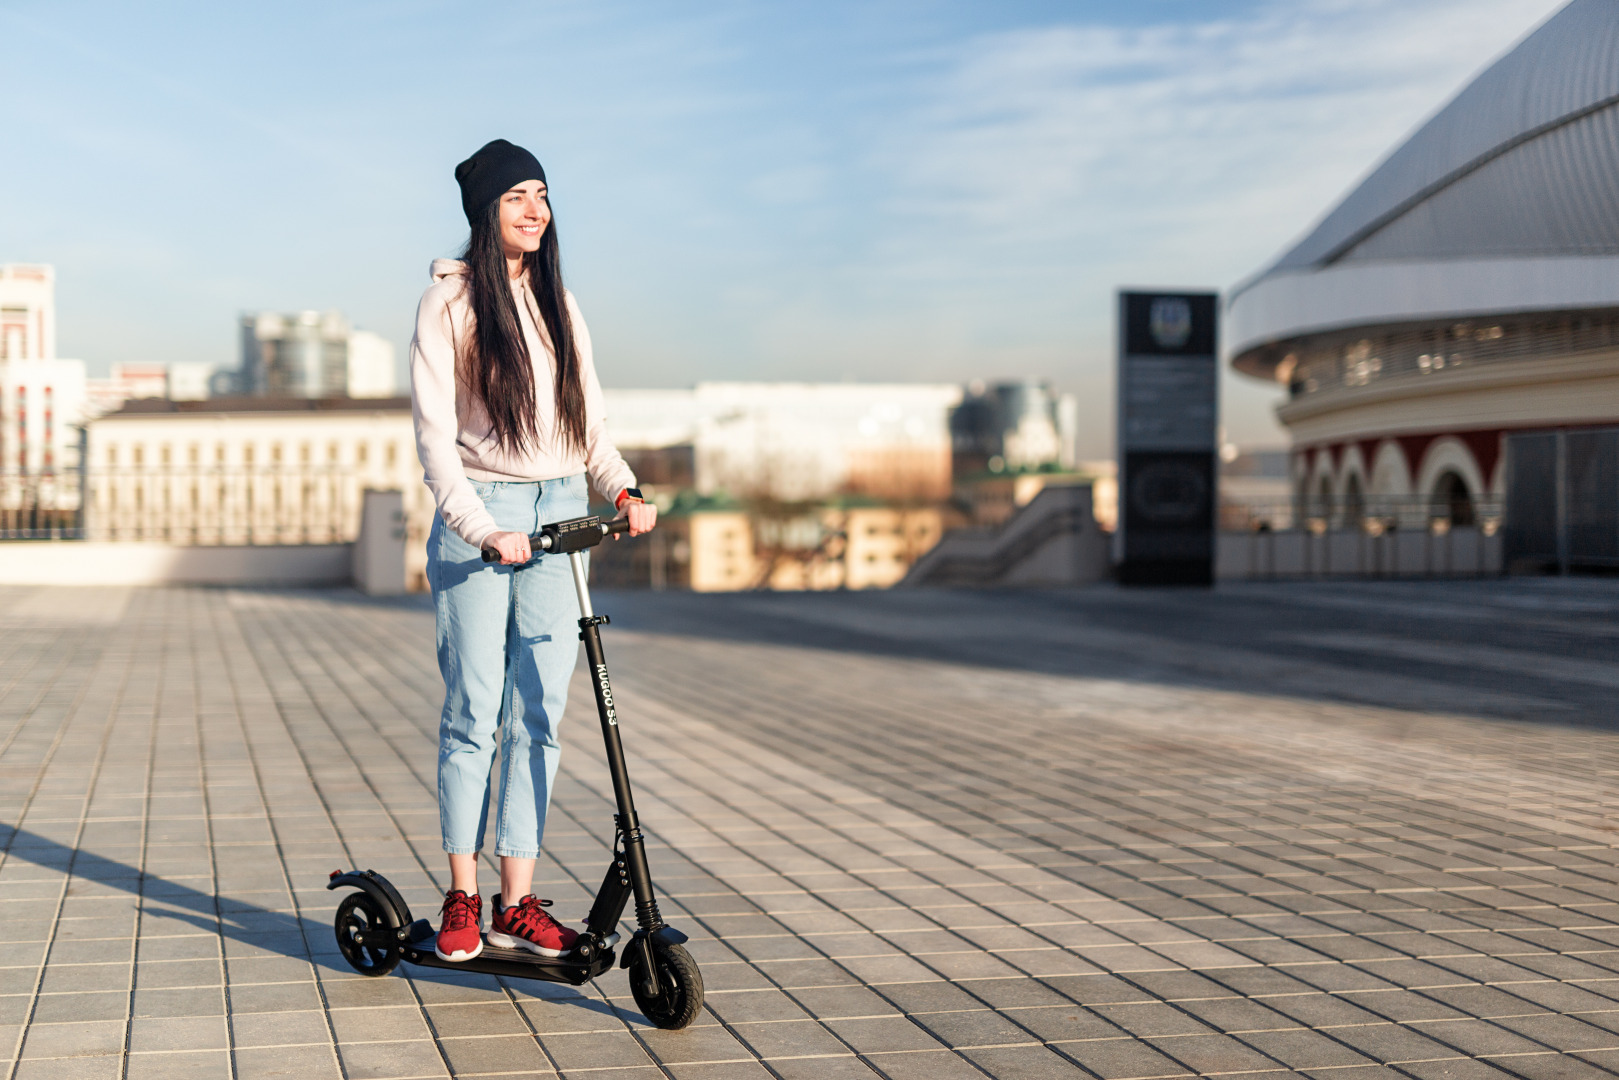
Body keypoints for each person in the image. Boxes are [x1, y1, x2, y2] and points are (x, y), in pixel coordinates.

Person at [410, 139, 655, 962]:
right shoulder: (446, 306)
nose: (536, 211)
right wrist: (481, 528)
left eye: (544, 196)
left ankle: (518, 901)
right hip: (481, 519)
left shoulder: (559, 302)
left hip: (558, 511)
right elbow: (435, 442)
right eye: (518, 196)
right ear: (486, 211)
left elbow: (587, 424)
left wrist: (621, 490)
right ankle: (462, 895)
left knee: (539, 716)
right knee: (474, 713)